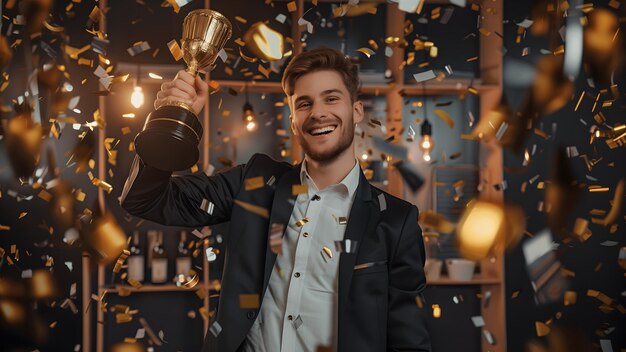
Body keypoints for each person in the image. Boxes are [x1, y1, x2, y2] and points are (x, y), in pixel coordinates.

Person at [120, 46, 431, 352]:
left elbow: (409, 342)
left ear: (357, 110)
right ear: (293, 119)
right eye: (304, 103)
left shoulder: (395, 221)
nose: (318, 112)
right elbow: (145, 200)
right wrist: (173, 117)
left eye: (331, 98)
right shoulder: (255, 181)